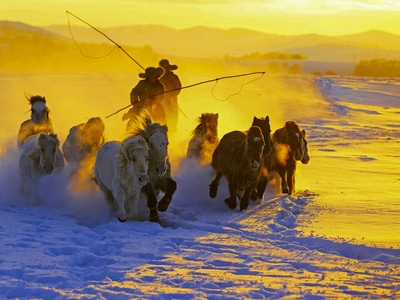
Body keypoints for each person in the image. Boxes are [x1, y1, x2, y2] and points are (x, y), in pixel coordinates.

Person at [158, 59, 182, 132]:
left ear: (168, 68)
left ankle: (172, 129)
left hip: (172, 100)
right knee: (160, 115)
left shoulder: (173, 77)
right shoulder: (158, 78)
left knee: (173, 115)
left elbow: (178, 88)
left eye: (165, 68)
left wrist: (171, 95)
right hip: (160, 100)